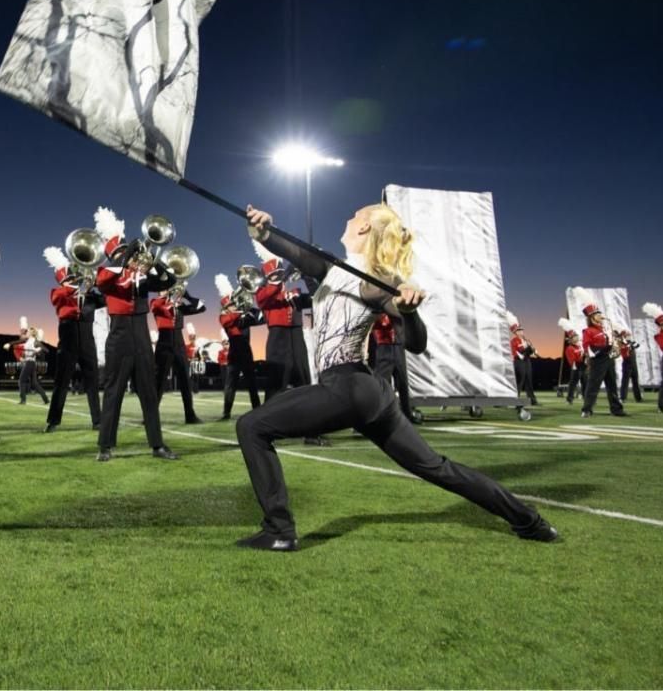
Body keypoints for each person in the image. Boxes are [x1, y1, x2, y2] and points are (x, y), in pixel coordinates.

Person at [233, 203, 557, 550]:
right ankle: (529, 521)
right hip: (369, 392)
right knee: (435, 467)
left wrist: (409, 312)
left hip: (348, 387)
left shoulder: (379, 281)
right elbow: (295, 251)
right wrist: (266, 230)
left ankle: (279, 531)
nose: (348, 217)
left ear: (364, 229)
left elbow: (416, 344)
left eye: (356, 215)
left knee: (251, 426)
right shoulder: (333, 267)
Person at [92, 207, 178, 462]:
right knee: (114, 392)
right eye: (123, 254)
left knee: (149, 393)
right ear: (115, 255)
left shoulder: (141, 278)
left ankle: (157, 445)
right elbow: (104, 281)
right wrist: (126, 253)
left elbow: (168, 281)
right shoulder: (107, 274)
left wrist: (155, 261)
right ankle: (105, 446)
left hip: (141, 335)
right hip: (118, 336)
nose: (131, 258)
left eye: (128, 253)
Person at [43, 247, 103, 432]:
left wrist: (96, 283)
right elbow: (58, 296)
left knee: (92, 382)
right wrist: (78, 285)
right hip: (67, 339)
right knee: (61, 382)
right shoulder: (58, 292)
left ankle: (98, 421)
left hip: (87, 339)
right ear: (63, 281)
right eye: (69, 279)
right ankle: (53, 421)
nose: (73, 281)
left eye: (74, 278)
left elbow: (107, 299)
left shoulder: (90, 296)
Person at [253, 238, 312, 398]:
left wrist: (306, 274)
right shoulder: (263, 294)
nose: (278, 278)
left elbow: (314, 298)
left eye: (279, 274)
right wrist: (280, 278)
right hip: (278, 336)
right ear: (266, 279)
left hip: (297, 334)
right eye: (273, 275)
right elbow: (263, 299)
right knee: (277, 379)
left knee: (303, 374)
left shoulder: (295, 292)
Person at [151, 287, 205, 423]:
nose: (167, 291)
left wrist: (187, 295)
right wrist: (168, 297)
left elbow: (201, 308)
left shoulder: (178, 307)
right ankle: (150, 415)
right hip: (164, 341)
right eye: (164, 290)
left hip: (179, 341)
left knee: (185, 380)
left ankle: (190, 415)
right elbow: (157, 306)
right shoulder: (156, 302)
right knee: (159, 381)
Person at [214, 273, 263, 420]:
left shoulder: (245, 316)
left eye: (233, 304)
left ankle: (258, 410)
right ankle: (226, 412)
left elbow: (261, 318)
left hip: (247, 353)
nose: (233, 306)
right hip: (234, 354)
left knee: (252, 385)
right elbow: (227, 321)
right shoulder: (224, 317)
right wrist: (240, 311)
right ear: (225, 308)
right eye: (230, 305)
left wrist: (249, 308)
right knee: (230, 385)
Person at [577, 294, 626, 418]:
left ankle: (616, 409)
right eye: (597, 314)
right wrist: (603, 349)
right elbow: (588, 348)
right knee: (593, 385)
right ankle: (586, 409)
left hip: (609, 359)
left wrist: (618, 341)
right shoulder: (588, 331)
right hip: (598, 361)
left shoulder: (605, 329)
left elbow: (612, 342)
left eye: (600, 313)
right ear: (592, 317)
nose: (600, 315)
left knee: (612, 385)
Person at [369, 312, 417, 423]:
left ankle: (406, 413)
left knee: (403, 382)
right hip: (382, 345)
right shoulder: (379, 302)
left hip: (397, 344)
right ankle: (375, 416)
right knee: (381, 384)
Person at [507, 313, 538, 406]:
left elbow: (531, 349)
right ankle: (515, 399)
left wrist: (534, 351)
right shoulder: (513, 341)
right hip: (519, 362)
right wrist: (523, 349)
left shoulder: (526, 340)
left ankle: (532, 400)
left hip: (527, 361)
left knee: (529, 380)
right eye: (518, 331)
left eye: (521, 330)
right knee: (520, 381)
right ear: (515, 332)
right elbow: (514, 351)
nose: (521, 332)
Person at [558, 319, 587, 404]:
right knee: (573, 384)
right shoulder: (570, 348)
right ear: (570, 339)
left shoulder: (580, 345)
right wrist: (580, 359)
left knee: (585, 382)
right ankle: (569, 399)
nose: (576, 338)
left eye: (576, 336)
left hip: (584, 366)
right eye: (574, 337)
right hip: (576, 367)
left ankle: (586, 398)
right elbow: (572, 360)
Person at [617, 330, 643, 403]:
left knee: (635, 381)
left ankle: (638, 397)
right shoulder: (621, 344)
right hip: (627, 363)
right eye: (626, 335)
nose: (628, 336)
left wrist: (628, 344)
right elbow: (625, 352)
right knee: (625, 381)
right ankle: (622, 397)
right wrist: (625, 343)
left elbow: (637, 345)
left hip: (633, 363)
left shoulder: (629, 342)